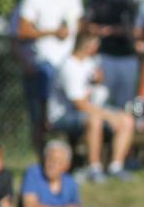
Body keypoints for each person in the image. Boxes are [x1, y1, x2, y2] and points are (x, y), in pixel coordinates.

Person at [48, 33, 135, 183]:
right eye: (95, 45)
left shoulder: (89, 63)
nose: (97, 49)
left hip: (90, 110)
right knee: (94, 121)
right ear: (87, 46)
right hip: (63, 115)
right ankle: (94, 168)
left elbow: (98, 95)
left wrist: (99, 81)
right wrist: (109, 116)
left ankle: (116, 167)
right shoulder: (69, 66)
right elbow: (79, 104)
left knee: (126, 119)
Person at [17, 0, 84, 142]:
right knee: (42, 120)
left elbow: (79, 26)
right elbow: (22, 30)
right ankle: (42, 156)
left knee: (75, 113)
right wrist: (52, 32)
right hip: (45, 63)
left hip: (68, 64)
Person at [85, 0, 137, 110]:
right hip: (103, 55)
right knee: (100, 100)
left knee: (126, 103)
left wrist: (118, 31)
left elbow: (138, 28)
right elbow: (86, 24)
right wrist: (102, 31)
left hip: (127, 56)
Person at [8, 0, 49, 153]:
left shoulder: (53, 3)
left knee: (53, 118)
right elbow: (14, 41)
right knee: (37, 118)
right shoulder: (21, 7)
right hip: (33, 69)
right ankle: (41, 157)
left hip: (55, 68)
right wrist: (26, 64)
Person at [19, 139, 80, 207]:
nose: (51, 164)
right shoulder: (32, 174)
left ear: (66, 165)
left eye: (57, 161)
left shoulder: (70, 182)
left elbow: (76, 206)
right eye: (49, 159)